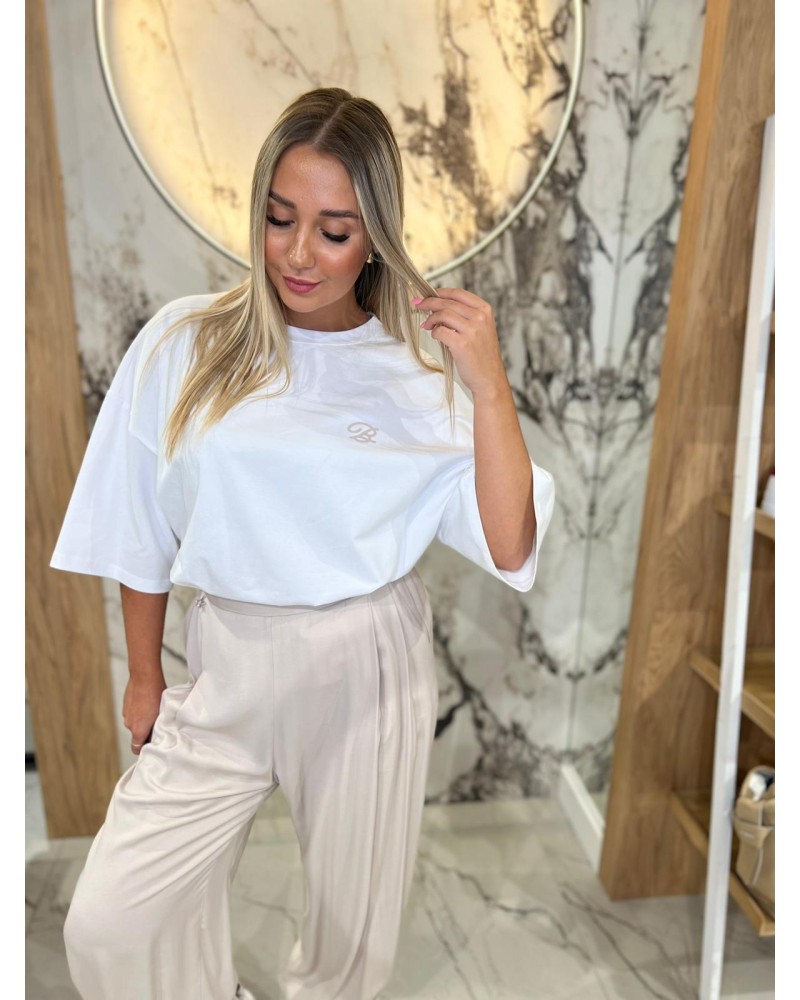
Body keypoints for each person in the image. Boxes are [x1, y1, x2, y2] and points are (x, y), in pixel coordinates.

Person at [50, 87, 555, 1000]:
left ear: (376, 239)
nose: (297, 252)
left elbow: (511, 543)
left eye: (334, 230)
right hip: (227, 656)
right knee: (112, 923)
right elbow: (139, 521)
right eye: (280, 218)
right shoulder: (186, 342)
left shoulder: (416, 376)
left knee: (349, 946)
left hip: (366, 660)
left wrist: (490, 388)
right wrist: (143, 674)